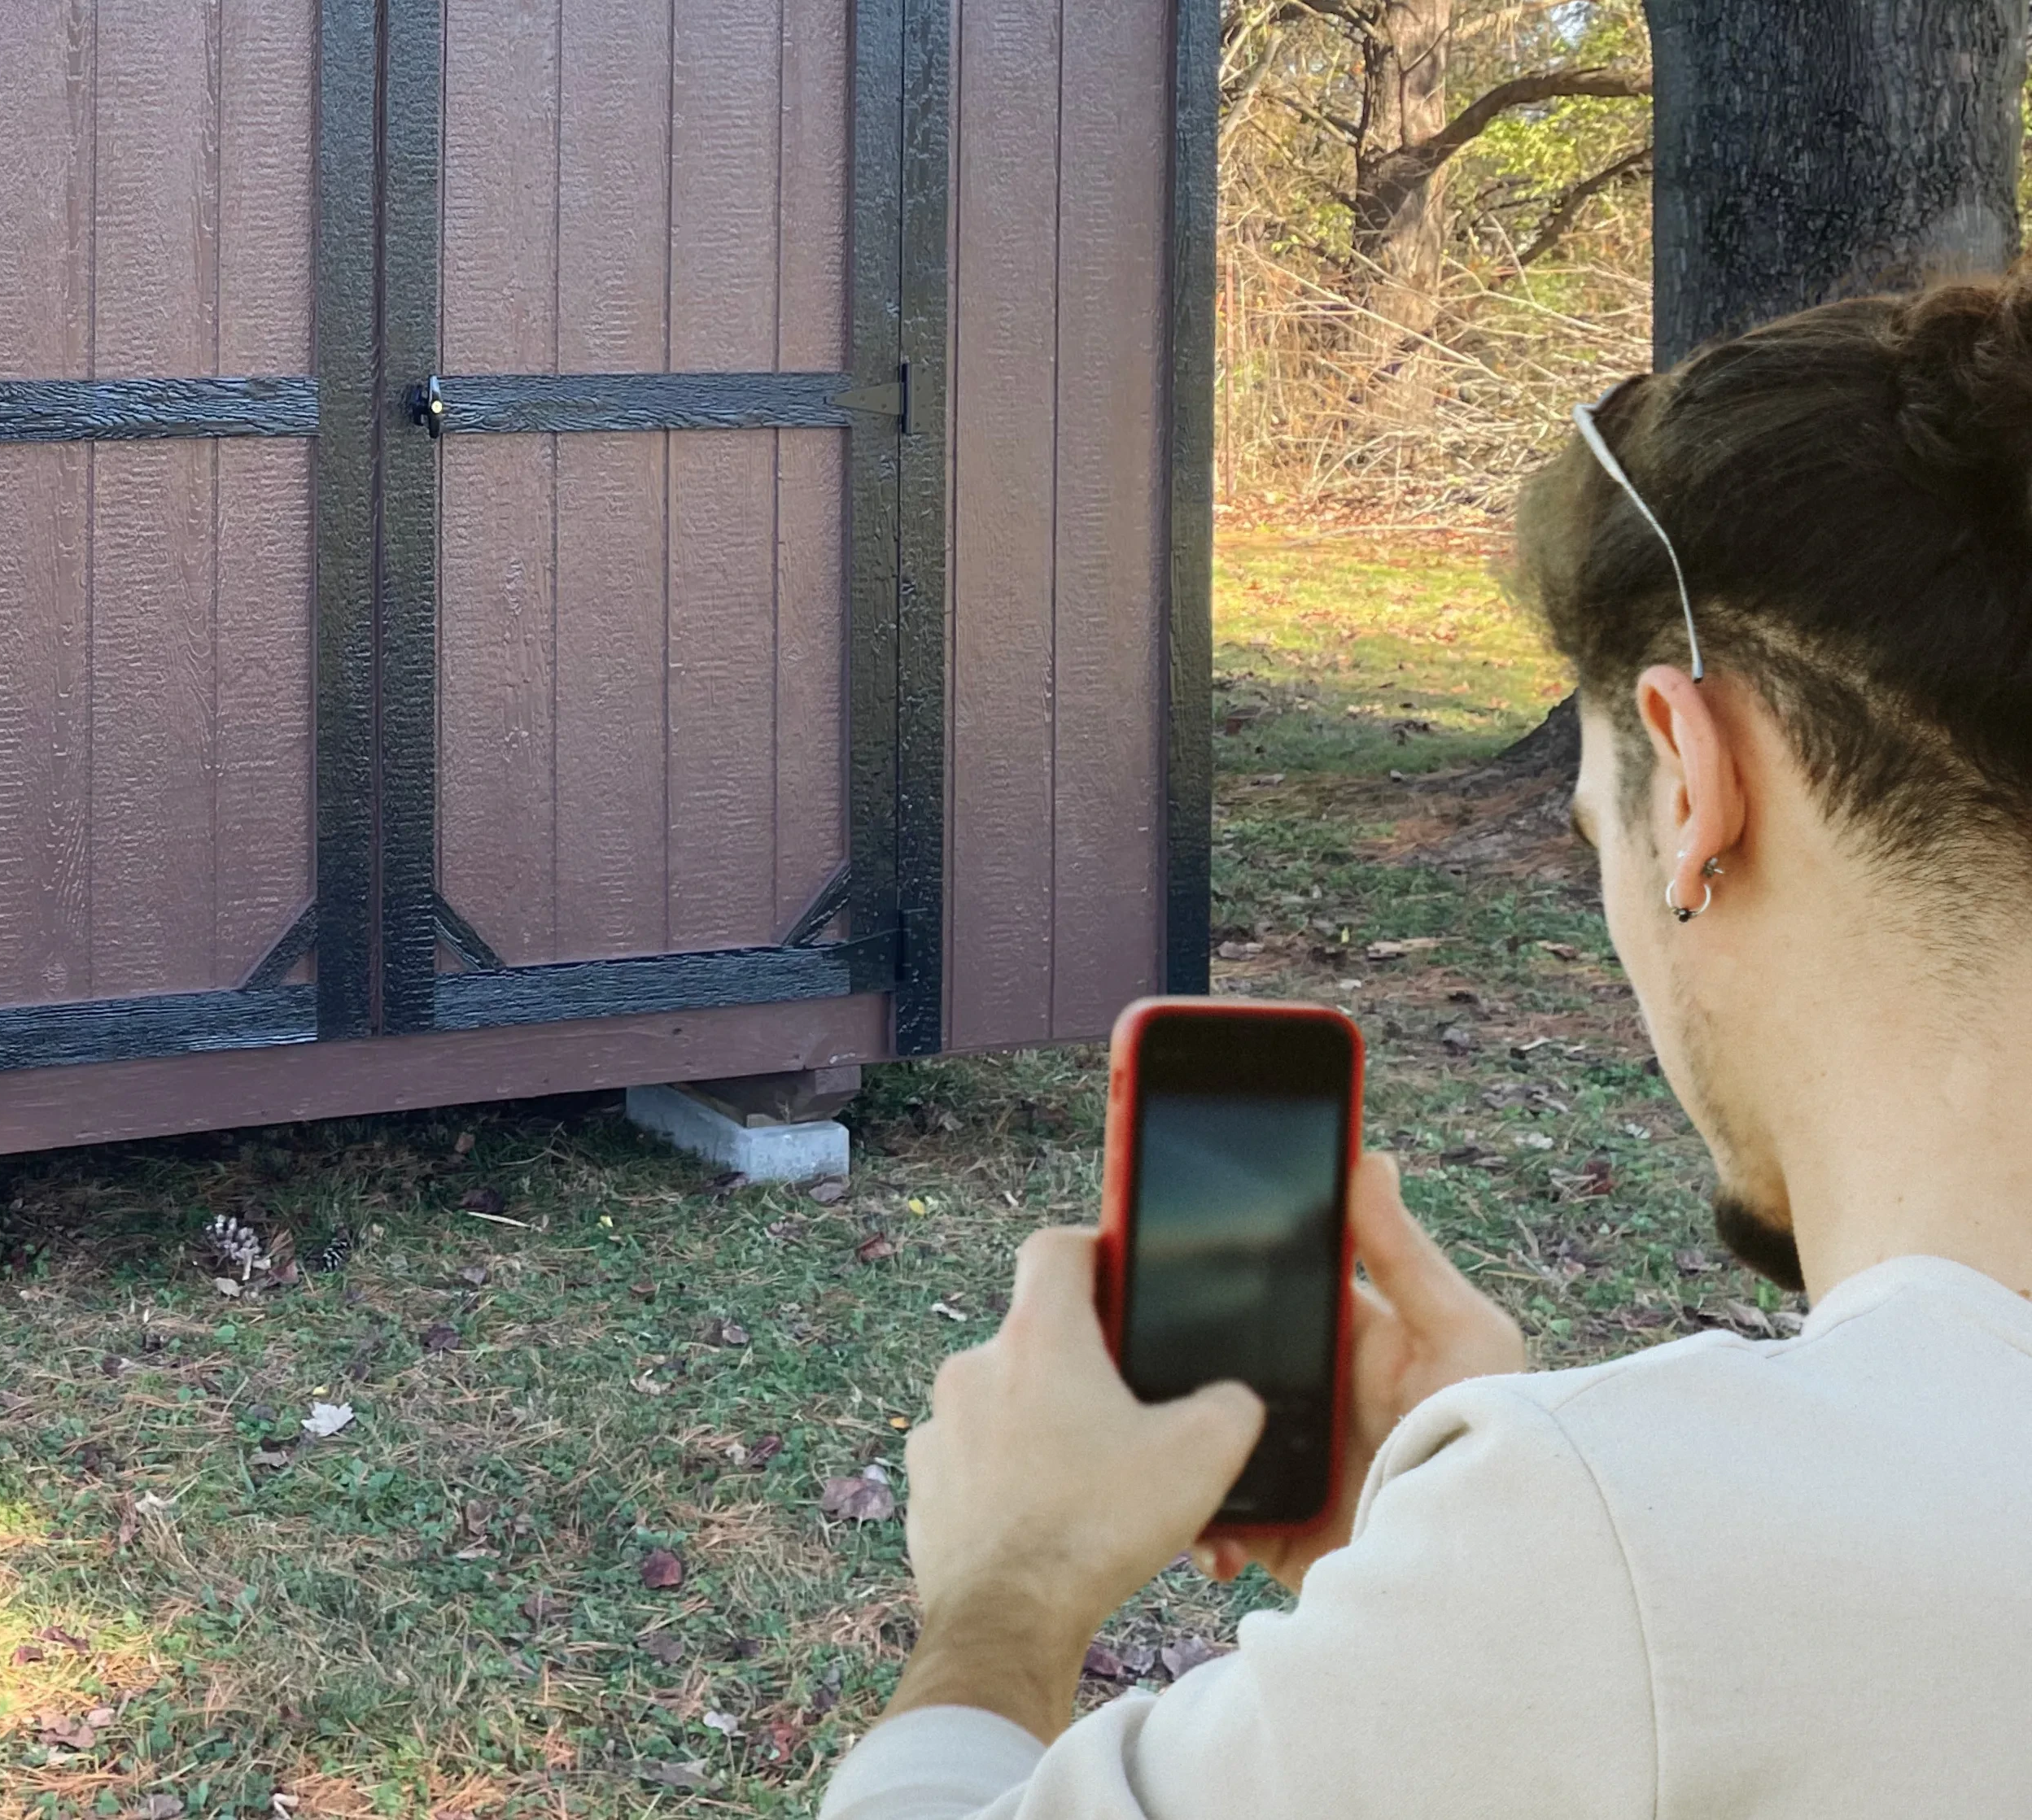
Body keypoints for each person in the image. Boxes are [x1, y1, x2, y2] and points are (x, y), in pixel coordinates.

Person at [821, 273, 2032, 1818]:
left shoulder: (1627, 1553)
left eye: (1594, 830)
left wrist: (1012, 1582)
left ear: (1692, 783)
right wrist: (1454, 1585)